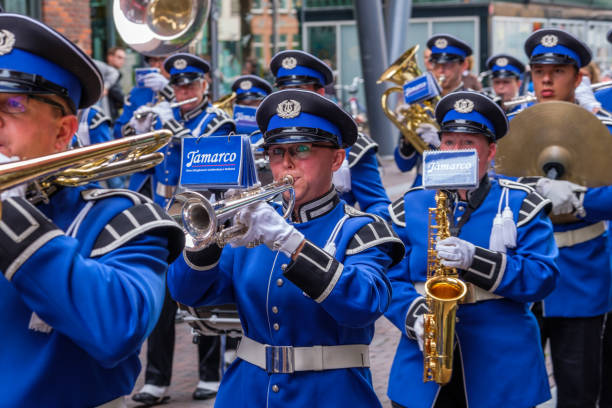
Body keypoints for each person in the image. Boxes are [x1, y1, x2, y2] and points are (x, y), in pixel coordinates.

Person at [168, 88, 404, 407]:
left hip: (331, 395)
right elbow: (187, 293)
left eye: (302, 149)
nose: (287, 163)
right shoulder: (253, 226)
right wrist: (208, 241)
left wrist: (292, 242)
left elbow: (363, 305)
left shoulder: (361, 229)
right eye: (277, 152)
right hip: (246, 393)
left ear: (337, 158)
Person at [0, 13, 184, 407]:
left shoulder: (122, 220)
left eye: (12, 104)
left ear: (64, 132)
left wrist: (9, 216)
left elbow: (118, 329)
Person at [385, 91, 559, 408]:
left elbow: (543, 276)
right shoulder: (411, 205)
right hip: (424, 361)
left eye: (468, 144)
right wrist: (415, 317)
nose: (456, 152)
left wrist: (475, 259)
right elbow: (388, 279)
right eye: (449, 142)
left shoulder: (521, 203)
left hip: (502, 363)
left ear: (490, 151)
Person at [129, 53, 236, 405]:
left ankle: (211, 374)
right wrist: (139, 131)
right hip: (164, 217)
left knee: (201, 297)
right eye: (177, 85)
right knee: (161, 301)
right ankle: (157, 380)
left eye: (190, 83)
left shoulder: (217, 120)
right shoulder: (163, 115)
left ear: (204, 83)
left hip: (203, 216)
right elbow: (135, 160)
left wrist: (170, 132)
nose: (183, 90)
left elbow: (207, 158)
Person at [515, 28, 612, 408]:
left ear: (578, 76)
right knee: (517, 387)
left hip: (581, 274)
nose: (546, 79)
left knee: (578, 389)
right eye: (538, 70)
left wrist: (581, 202)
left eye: (557, 71)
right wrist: (535, 192)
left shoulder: (602, 128)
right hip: (521, 272)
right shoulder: (510, 127)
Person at [270, 49, 391, 220]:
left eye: (299, 88)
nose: (290, 97)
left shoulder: (353, 146)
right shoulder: (265, 142)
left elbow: (377, 205)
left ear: (320, 93)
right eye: (283, 90)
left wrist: (352, 230)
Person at [394, 34, 473, 187]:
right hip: (424, 184)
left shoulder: (474, 102)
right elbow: (403, 166)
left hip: (464, 184)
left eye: (448, 65)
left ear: (463, 66)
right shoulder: (419, 105)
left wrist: (440, 143)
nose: (441, 71)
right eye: (436, 64)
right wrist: (407, 137)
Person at [231, 74, 274, 184]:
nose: (247, 107)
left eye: (253, 103)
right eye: (242, 104)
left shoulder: (273, 131)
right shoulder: (229, 130)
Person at [106, 46, 126, 122]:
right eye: (119, 57)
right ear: (110, 57)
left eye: (124, 59)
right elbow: (120, 97)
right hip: (109, 116)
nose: (122, 61)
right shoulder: (111, 74)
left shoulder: (110, 74)